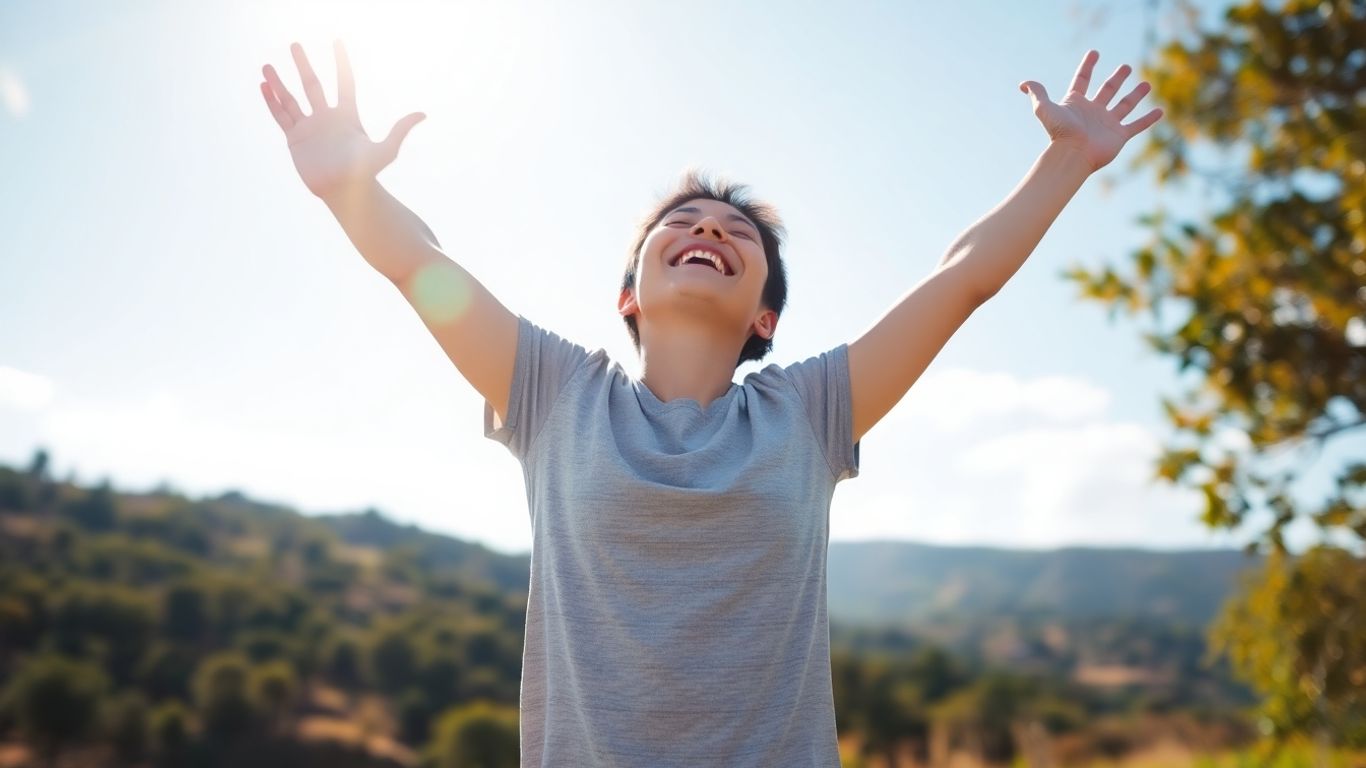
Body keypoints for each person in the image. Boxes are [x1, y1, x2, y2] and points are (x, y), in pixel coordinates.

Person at [259, 40, 1162, 767]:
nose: (707, 230)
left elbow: (963, 280)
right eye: (681, 224)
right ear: (629, 297)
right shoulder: (555, 394)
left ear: (765, 311)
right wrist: (352, 189)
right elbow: (422, 266)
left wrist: (1068, 163)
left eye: (738, 234)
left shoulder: (809, 411)